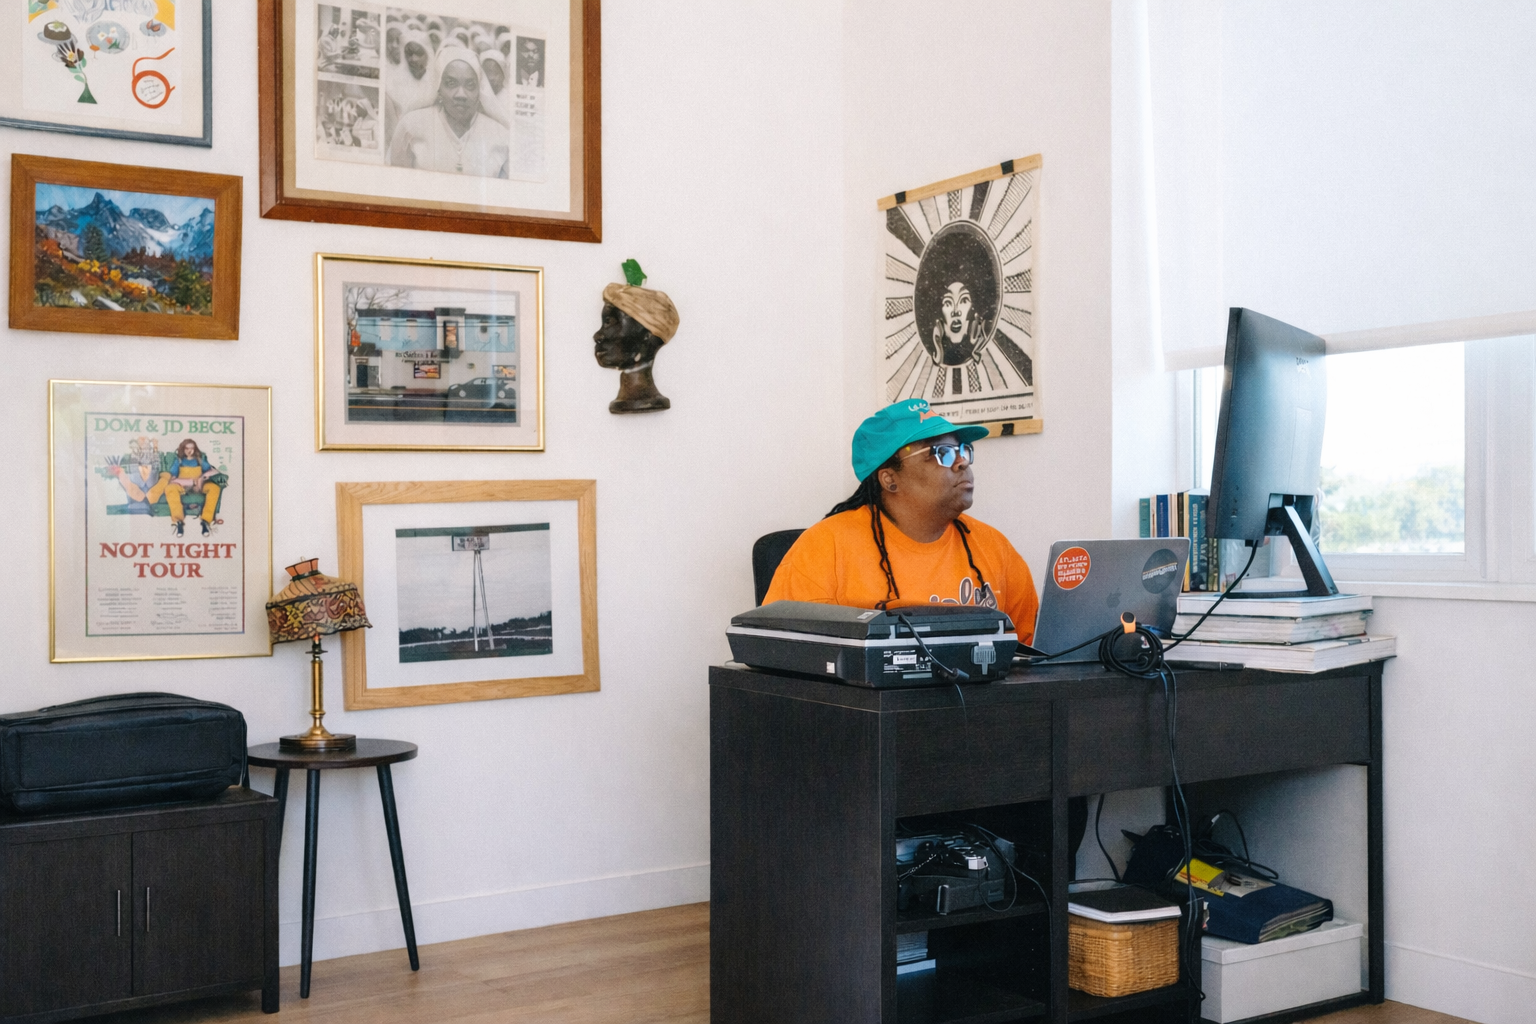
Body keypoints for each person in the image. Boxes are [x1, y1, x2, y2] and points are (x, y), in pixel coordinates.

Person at [764, 399, 1039, 641]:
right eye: (941, 452)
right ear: (890, 479)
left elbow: (1035, 653)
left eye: (963, 450)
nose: (962, 462)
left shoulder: (995, 547)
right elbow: (780, 651)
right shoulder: (824, 548)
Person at [387, 44, 509, 178]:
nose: (461, 94)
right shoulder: (412, 125)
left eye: (470, 85)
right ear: (438, 88)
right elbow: (397, 181)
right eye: (451, 83)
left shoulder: (500, 136)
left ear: (479, 90)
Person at [164, 438, 221, 538]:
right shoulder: (179, 461)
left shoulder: (199, 460)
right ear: (183, 449)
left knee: (214, 488)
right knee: (170, 488)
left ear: (195, 449)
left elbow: (214, 471)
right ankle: (178, 521)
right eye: (186, 448)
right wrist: (190, 482)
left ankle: (206, 520)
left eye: (192, 448)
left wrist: (202, 477)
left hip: (199, 486)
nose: (189, 451)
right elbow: (172, 478)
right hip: (183, 486)